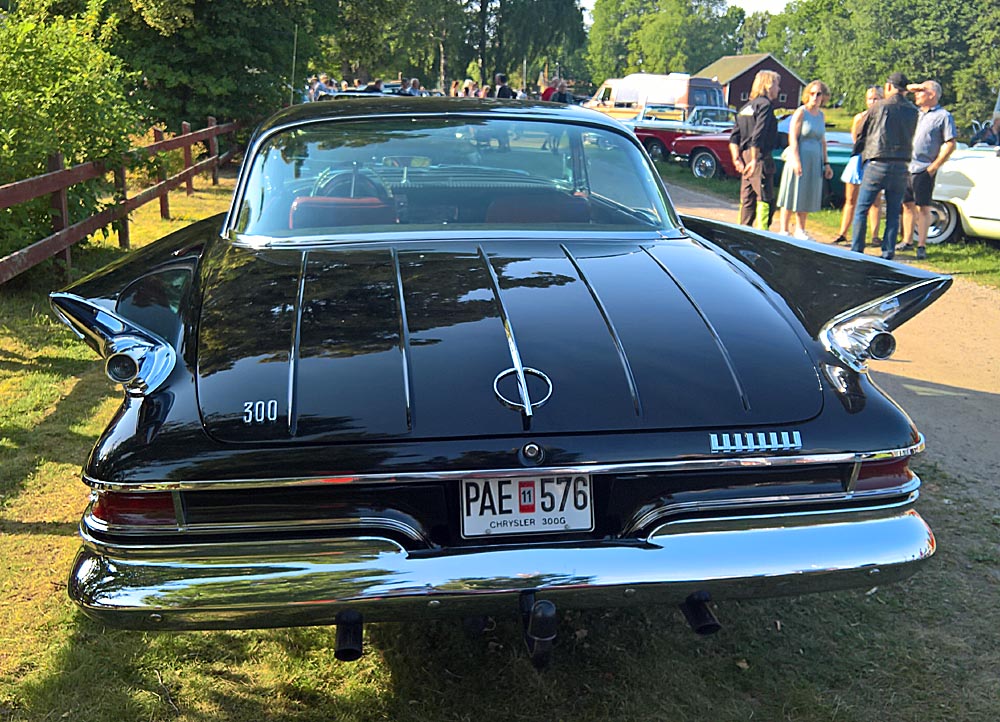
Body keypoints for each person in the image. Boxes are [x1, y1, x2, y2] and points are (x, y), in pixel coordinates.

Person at [850, 72, 918, 259]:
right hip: (901, 164)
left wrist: (858, 152)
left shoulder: (879, 106)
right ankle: (888, 253)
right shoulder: (913, 111)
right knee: (893, 212)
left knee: (862, 209)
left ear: (888, 87)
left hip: (877, 161)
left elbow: (862, 132)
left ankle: (857, 251)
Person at [896, 80, 957, 259]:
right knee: (907, 204)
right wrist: (913, 87)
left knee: (923, 207)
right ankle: (907, 240)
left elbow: (950, 143)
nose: (917, 94)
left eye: (921, 91)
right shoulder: (914, 112)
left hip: (924, 168)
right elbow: (898, 95)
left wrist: (934, 167)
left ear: (932, 94)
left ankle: (921, 245)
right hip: (907, 165)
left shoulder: (943, 116)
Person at [776, 80, 834, 239]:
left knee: (807, 192)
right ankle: (784, 229)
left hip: (814, 159)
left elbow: (822, 141)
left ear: (824, 96)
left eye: (818, 94)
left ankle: (800, 229)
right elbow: (793, 138)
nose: (815, 97)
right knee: (792, 191)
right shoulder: (801, 112)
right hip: (799, 156)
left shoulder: (821, 115)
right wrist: (796, 160)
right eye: (812, 93)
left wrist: (826, 163)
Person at [728, 69, 781, 230]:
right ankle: (763, 234)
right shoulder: (765, 106)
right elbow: (758, 134)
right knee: (765, 198)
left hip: (744, 157)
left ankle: (742, 231)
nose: (779, 89)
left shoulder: (745, 107)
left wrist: (737, 159)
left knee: (747, 199)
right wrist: (754, 159)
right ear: (768, 85)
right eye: (777, 85)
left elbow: (734, 137)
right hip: (759, 157)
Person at [833, 86, 885, 245]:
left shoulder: (884, 119)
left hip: (875, 159)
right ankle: (843, 233)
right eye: (870, 98)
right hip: (858, 158)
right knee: (851, 199)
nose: (873, 101)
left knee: (875, 200)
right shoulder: (859, 117)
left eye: (876, 98)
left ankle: (875, 235)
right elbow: (855, 138)